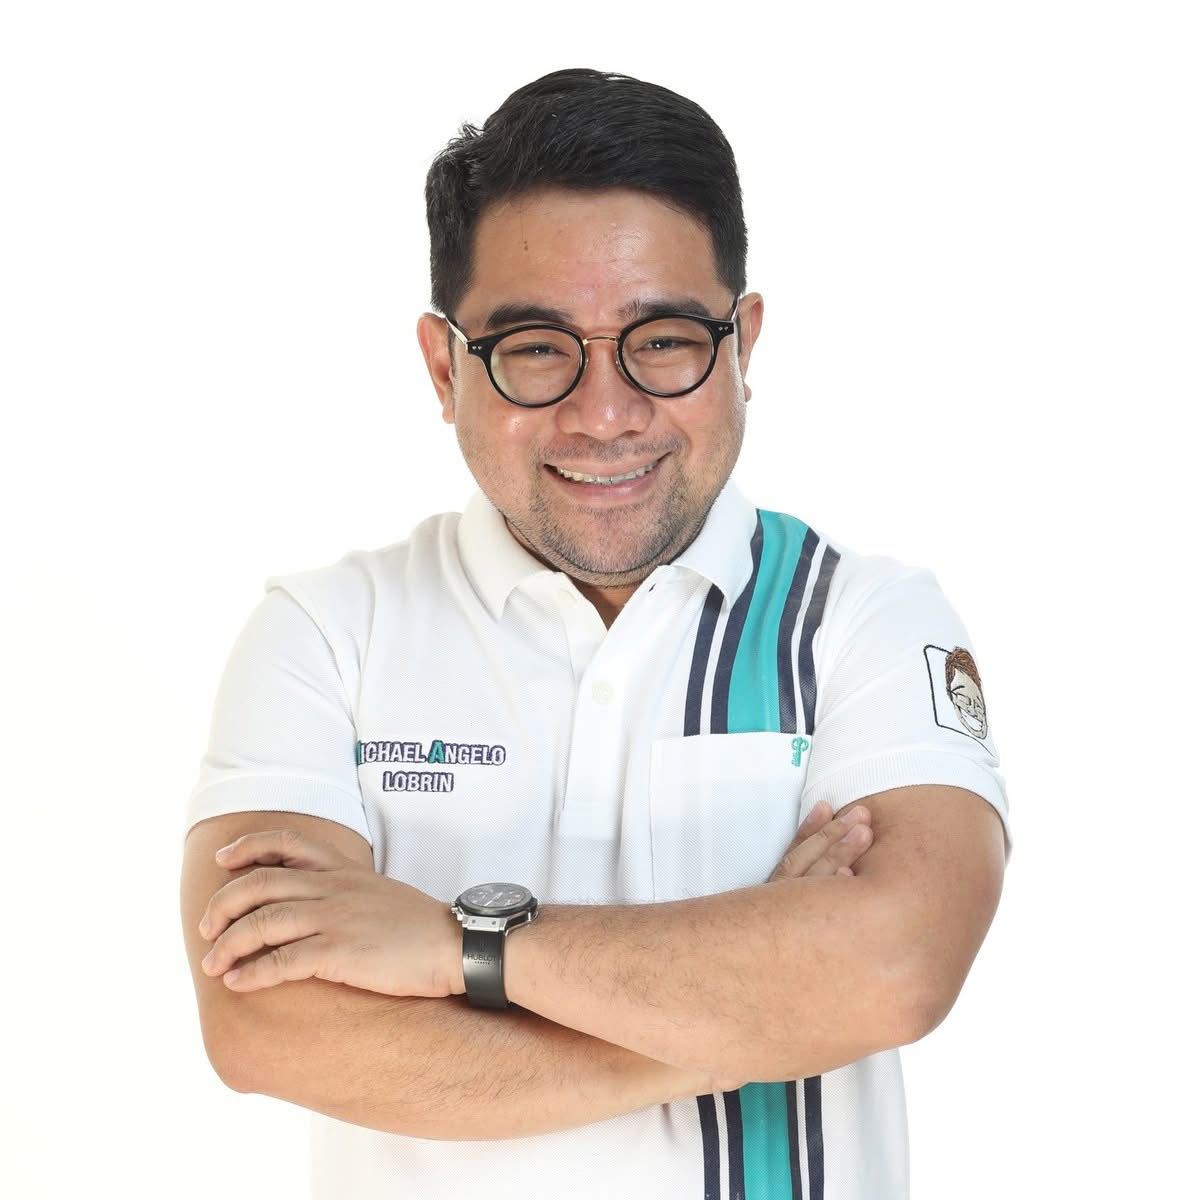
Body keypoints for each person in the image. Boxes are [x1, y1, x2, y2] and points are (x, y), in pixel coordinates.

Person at [180, 67, 1011, 1200]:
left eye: (662, 340)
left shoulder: (863, 623)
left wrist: (457, 945)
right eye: (536, 347)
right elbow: (268, 1028)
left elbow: (896, 970)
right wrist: (755, 1017)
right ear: (444, 367)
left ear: (743, 344)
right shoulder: (326, 635)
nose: (604, 413)